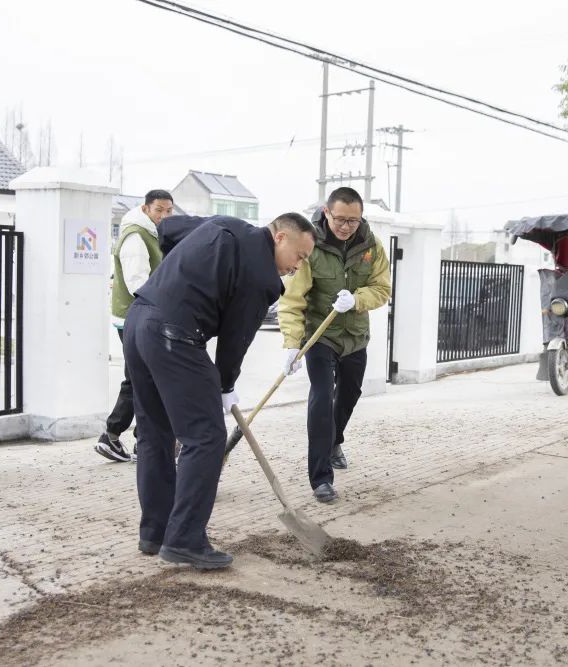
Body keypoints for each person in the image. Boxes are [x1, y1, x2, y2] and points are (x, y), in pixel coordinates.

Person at [125, 212, 315, 569]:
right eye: (299, 256)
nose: (297, 267)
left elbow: (168, 229)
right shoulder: (262, 275)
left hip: (139, 320)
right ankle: (184, 540)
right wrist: (225, 384)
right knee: (207, 437)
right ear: (280, 238)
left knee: (155, 433)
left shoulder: (224, 224)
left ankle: (156, 532)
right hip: (175, 333)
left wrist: (182, 274)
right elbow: (235, 339)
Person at [277, 187, 391, 504]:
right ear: (327, 213)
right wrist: (291, 344)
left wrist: (357, 299)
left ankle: (334, 440)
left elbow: (382, 289)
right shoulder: (310, 246)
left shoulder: (372, 246)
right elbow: (292, 299)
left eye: (353, 221)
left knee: (350, 394)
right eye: (340, 219)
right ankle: (320, 477)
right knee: (322, 397)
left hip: (354, 334)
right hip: (319, 335)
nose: (346, 226)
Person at [95, 190, 176, 463]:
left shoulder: (152, 233)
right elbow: (137, 284)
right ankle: (125, 436)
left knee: (142, 377)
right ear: (145, 209)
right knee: (143, 378)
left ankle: (127, 437)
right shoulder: (135, 236)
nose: (164, 216)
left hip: (142, 317)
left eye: (168, 211)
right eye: (159, 210)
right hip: (134, 318)